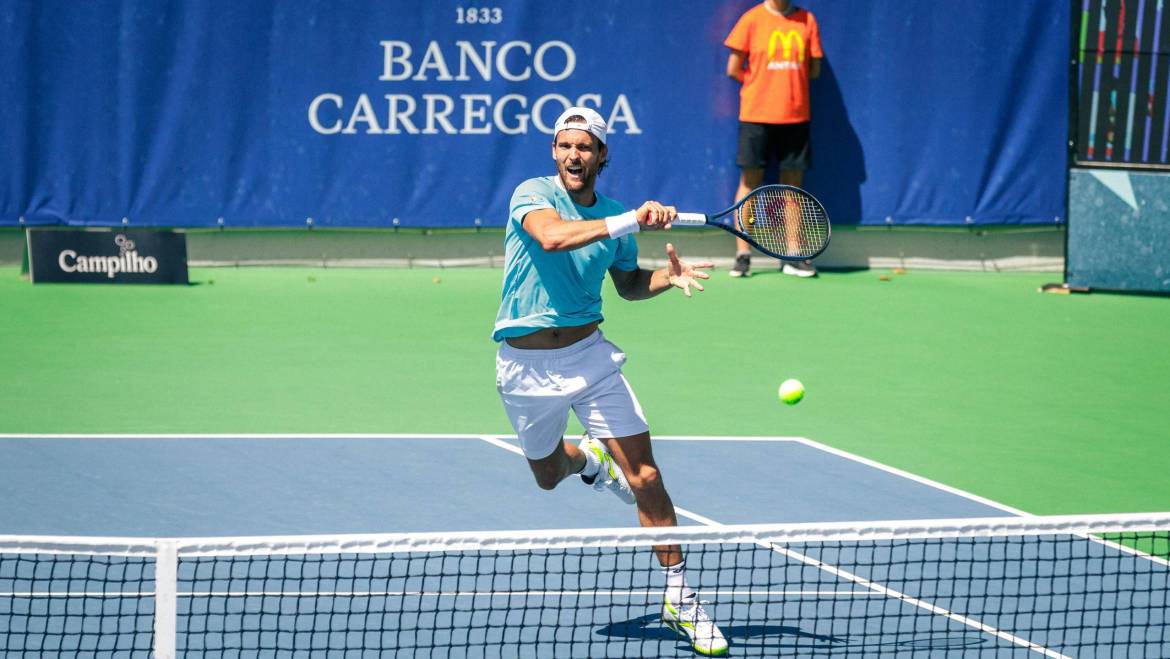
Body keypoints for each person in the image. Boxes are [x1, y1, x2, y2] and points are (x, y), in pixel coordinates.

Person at [493, 106, 729, 656]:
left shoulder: (617, 215)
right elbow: (552, 239)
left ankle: (682, 598)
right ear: (555, 152)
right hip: (525, 368)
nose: (574, 155)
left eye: (585, 147)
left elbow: (627, 285)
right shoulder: (532, 194)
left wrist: (666, 277)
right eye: (565, 146)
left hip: (590, 357)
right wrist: (633, 221)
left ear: (602, 155)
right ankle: (587, 462)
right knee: (549, 475)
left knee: (646, 476)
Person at [725, 0, 823, 278]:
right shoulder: (751, 19)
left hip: (796, 117)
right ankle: (743, 255)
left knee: (793, 186)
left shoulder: (807, 20)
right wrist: (762, 87)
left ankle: (792, 255)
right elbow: (734, 68)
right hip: (755, 116)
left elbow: (812, 70)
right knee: (749, 182)